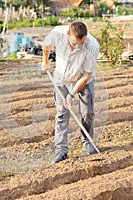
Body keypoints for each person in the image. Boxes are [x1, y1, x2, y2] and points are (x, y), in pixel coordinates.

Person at [41, 21, 100, 163]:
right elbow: (46, 45)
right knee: (62, 114)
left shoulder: (92, 46)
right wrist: (46, 61)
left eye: (82, 43)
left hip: (82, 78)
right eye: (75, 43)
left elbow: (87, 75)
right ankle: (61, 149)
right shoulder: (58, 33)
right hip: (61, 78)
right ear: (68, 35)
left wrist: (72, 94)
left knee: (88, 113)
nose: (78, 46)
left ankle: (88, 143)